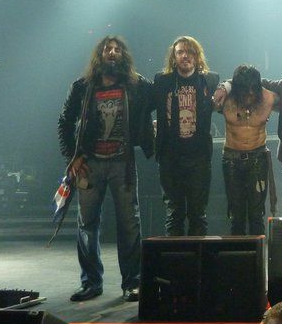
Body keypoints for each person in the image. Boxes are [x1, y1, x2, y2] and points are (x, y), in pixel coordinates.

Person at [57, 35, 153, 302]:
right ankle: (91, 283)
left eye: (117, 49)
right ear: (99, 56)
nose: (112, 52)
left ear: (123, 56)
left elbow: (162, 90)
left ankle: (132, 283)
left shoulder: (135, 85)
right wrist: (72, 157)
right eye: (107, 49)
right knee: (87, 224)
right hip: (90, 163)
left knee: (130, 224)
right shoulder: (82, 87)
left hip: (123, 162)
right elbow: (64, 121)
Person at [152, 36, 219, 236]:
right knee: (174, 213)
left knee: (198, 213)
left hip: (199, 156)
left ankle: (198, 256)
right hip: (170, 157)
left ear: (197, 56)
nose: (185, 56)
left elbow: (230, 84)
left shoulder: (210, 80)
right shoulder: (162, 81)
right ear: (173, 57)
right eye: (180, 52)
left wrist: (227, 86)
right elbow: (142, 102)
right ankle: (175, 257)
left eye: (189, 52)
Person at [218, 64, 278, 235]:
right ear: (237, 88)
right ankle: (238, 252)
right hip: (231, 158)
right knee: (236, 214)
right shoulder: (225, 99)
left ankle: (257, 252)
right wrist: (225, 86)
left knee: (256, 214)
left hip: (257, 158)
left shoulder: (269, 98)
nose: (251, 93)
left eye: (254, 88)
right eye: (245, 89)